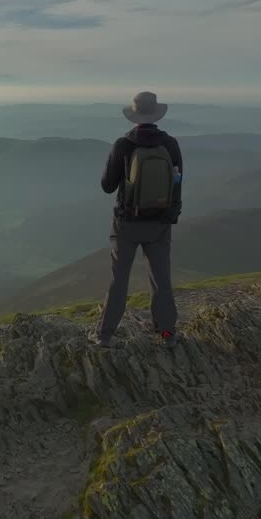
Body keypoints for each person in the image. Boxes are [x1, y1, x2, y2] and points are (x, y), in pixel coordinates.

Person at [91, 91, 182, 349]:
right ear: (156, 114)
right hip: (160, 223)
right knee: (161, 279)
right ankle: (167, 333)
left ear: (134, 115)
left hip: (127, 223)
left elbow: (108, 186)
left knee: (119, 279)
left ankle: (104, 335)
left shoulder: (123, 144)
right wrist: (171, 214)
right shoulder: (170, 144)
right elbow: (177, 181)